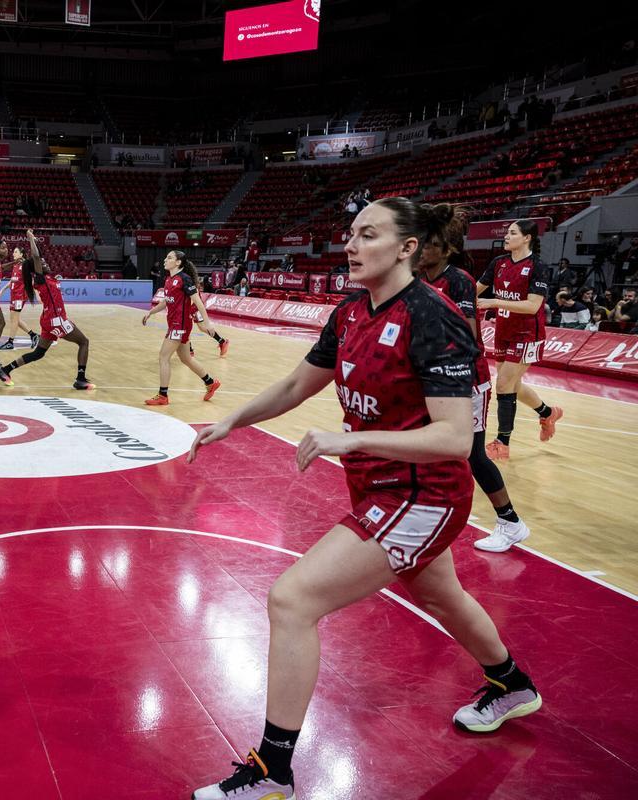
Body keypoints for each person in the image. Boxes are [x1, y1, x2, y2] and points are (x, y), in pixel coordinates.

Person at [189, 198, 540, 800]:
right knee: (443, 596)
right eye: (350, 234)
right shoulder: (351, 311)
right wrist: (234, 421)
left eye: (368, 235)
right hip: (382, 486)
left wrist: (345, 438)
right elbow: (300, 384)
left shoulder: (436, 317)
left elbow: (456, 438)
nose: (351, 245)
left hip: (423, 494)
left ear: (407, 247)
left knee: (292, 600)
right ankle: (512, 685)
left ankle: (274, 772)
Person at [418, 204, 530, 553]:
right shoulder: (418, 278)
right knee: (426, 445)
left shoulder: (458, 281)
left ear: (446, 248)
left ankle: (510, 521)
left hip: (466, 380)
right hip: (434, 378)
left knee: (472, 453)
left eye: (428, 244)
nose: (421, 249)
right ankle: (428, 510)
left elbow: (466, 338)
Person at [476, 221, 563, 460]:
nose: (506, 236)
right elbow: (474, 289)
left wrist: (494, 302)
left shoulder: (538, 266)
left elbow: (533, 305)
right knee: (512, 384)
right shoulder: (498, 263)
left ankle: (502, 443)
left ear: (527, 238)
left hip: (527, 334)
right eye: (507, 232)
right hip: (504, 332)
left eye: (512, 233)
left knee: (504, 384)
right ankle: (547, 412)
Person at [0, 230, 93, 391]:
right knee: (84, 342)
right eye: (42, 263)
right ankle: (80, 379)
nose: (45, 264)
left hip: (48, 320)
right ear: (36, 268)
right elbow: (37, 257)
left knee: (38, 353)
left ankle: (5, 370)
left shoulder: (48, 278)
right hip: (56, 320)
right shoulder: (41, 279)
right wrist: (31, 239)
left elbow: (39, 260)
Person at [142, 250, 222, 405]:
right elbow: (166, 301)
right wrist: (150, 312)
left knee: (163, 357)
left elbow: (198, 302)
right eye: (166, 257)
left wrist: (207, 322)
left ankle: (163, 395)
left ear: (178, 262)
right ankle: (211, 382)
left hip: (180, 325)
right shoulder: (169, 279)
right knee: (186, 358)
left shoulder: (184, 279)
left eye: (169, 257)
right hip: (175, 324)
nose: (165, 260)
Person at [0, 245, 40, 351]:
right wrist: (3, 290)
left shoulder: (25, 265)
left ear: (21, 254)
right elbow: (13, 280)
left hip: (20, 296)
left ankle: (10, 342)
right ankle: (33, 335)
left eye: (16, 252)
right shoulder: (15, 265)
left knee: (14, 319)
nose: (13, 253)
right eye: (13, 252)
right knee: (14, 319)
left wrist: (37, 293)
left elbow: (31, 281)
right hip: (14, 295)